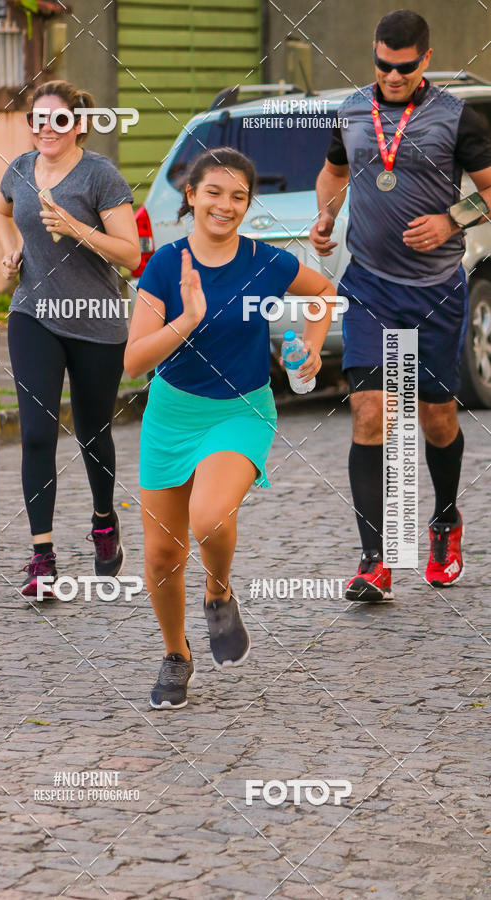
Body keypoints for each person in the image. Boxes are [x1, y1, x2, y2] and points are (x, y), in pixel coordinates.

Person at [125, 147, 336, 709]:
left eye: (238, 196)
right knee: (160, 557)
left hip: (242, 408)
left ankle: (218, 592)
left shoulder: (265, 261)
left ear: (248, 203)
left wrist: (310, 354)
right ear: (190, 196)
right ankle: (177, 655)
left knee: (209, 517)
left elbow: (323, 294)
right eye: (213, 192)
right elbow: (133, 361)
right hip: (172, 412)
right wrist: (187, 320)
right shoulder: (166, 265)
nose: (225, 205)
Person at [310, 10, 491, 601]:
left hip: (436, 288)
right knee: (369, 412)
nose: (392, 76)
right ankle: (374, 559)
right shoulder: (351, 109)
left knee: (436, 419)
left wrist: (451, 219)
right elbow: (333, 172)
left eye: (404, 67)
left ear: (426, 60)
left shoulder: (457, 117)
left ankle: (443, 521)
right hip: (369, 282)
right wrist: (327, 214)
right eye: (383, 65)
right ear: (374, 54)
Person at [0, 80, 141, 597]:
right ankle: (42, 557)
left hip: (97, 320)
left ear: (79, 124)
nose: (46, 129)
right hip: (33, 312)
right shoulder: (18, 170)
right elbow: (1, 210)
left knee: (93, 431)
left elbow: (130, 254)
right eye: (37, 120)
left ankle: (104, 522)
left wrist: (76, 228)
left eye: (58, 120)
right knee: (36, 432)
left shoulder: (100, 176)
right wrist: (12, 250)